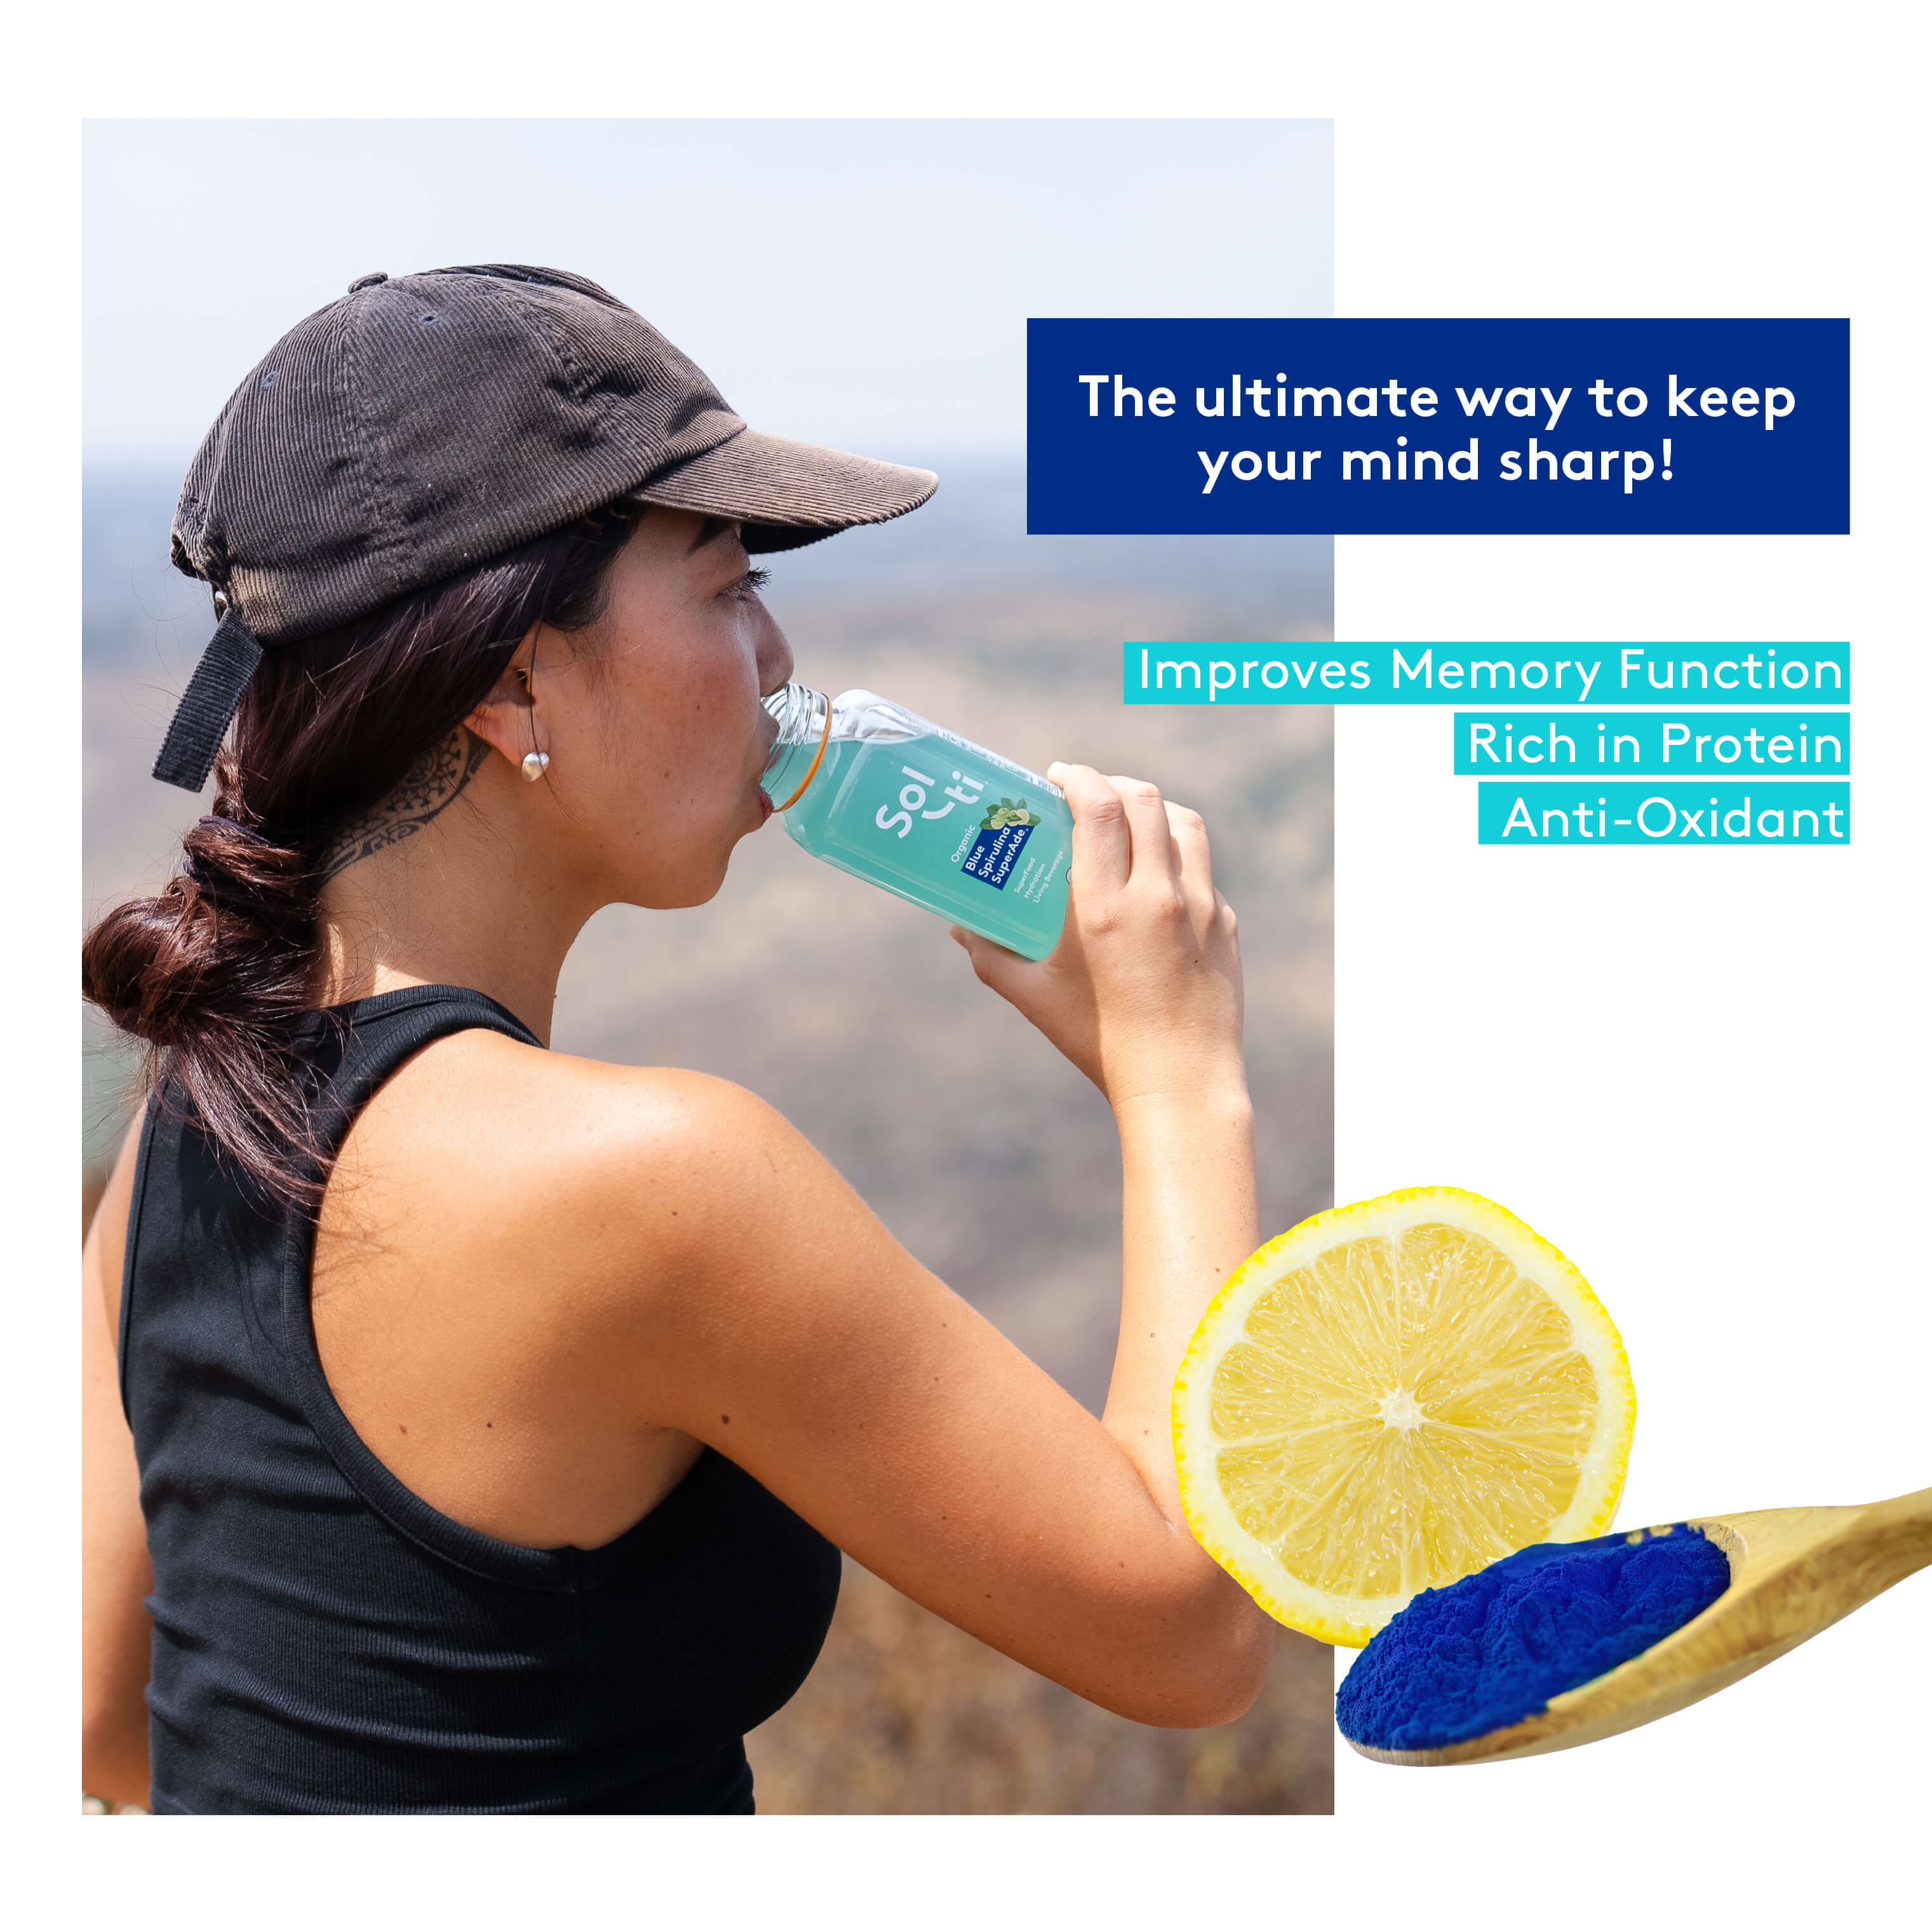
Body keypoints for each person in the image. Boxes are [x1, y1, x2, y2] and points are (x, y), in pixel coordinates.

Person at [81, 265, 1276, 1814]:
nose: (775, 660)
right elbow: (1191, 1637)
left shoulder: (192, 1118)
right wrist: (1179, 1074)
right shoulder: (653, 1181)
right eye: (727, 588)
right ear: (516, 680)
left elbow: (107, 1720)